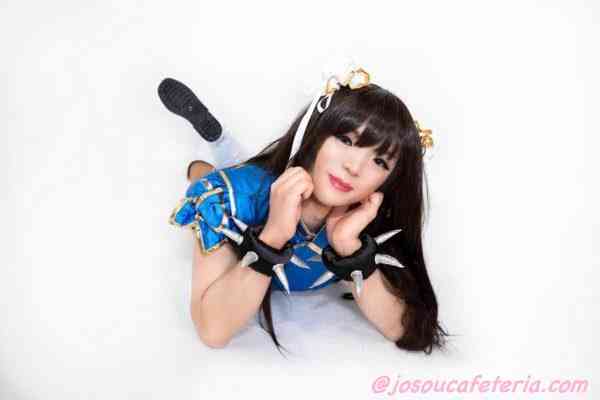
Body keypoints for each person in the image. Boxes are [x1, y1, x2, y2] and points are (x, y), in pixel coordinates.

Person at [161, 68, 448, 355]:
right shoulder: (228, 200)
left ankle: (223, 146)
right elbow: (213, 331)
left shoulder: (368, 217)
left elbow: (404, 330)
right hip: (249, 186)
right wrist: (273, 236)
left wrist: (350, 249)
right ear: (316, 133)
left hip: (270, 178)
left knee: (247, 170)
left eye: (380, 162)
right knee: (213, 177)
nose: (354, 167)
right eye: (346, 140)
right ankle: (214, 145)